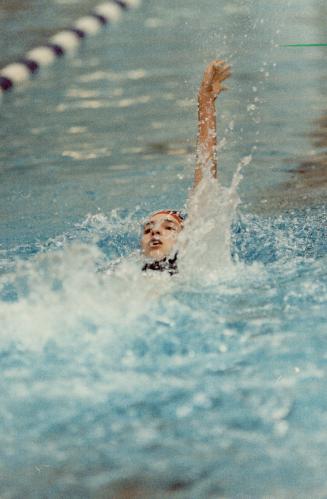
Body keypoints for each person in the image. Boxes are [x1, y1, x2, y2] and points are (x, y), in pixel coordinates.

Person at [141, 60, 231, 275]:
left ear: (186, 237)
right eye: (148, 229)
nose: (155, 232)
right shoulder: (121, 271)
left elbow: (206, 171)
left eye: (168, 228)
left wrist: (205, 102)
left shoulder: (195, 265)